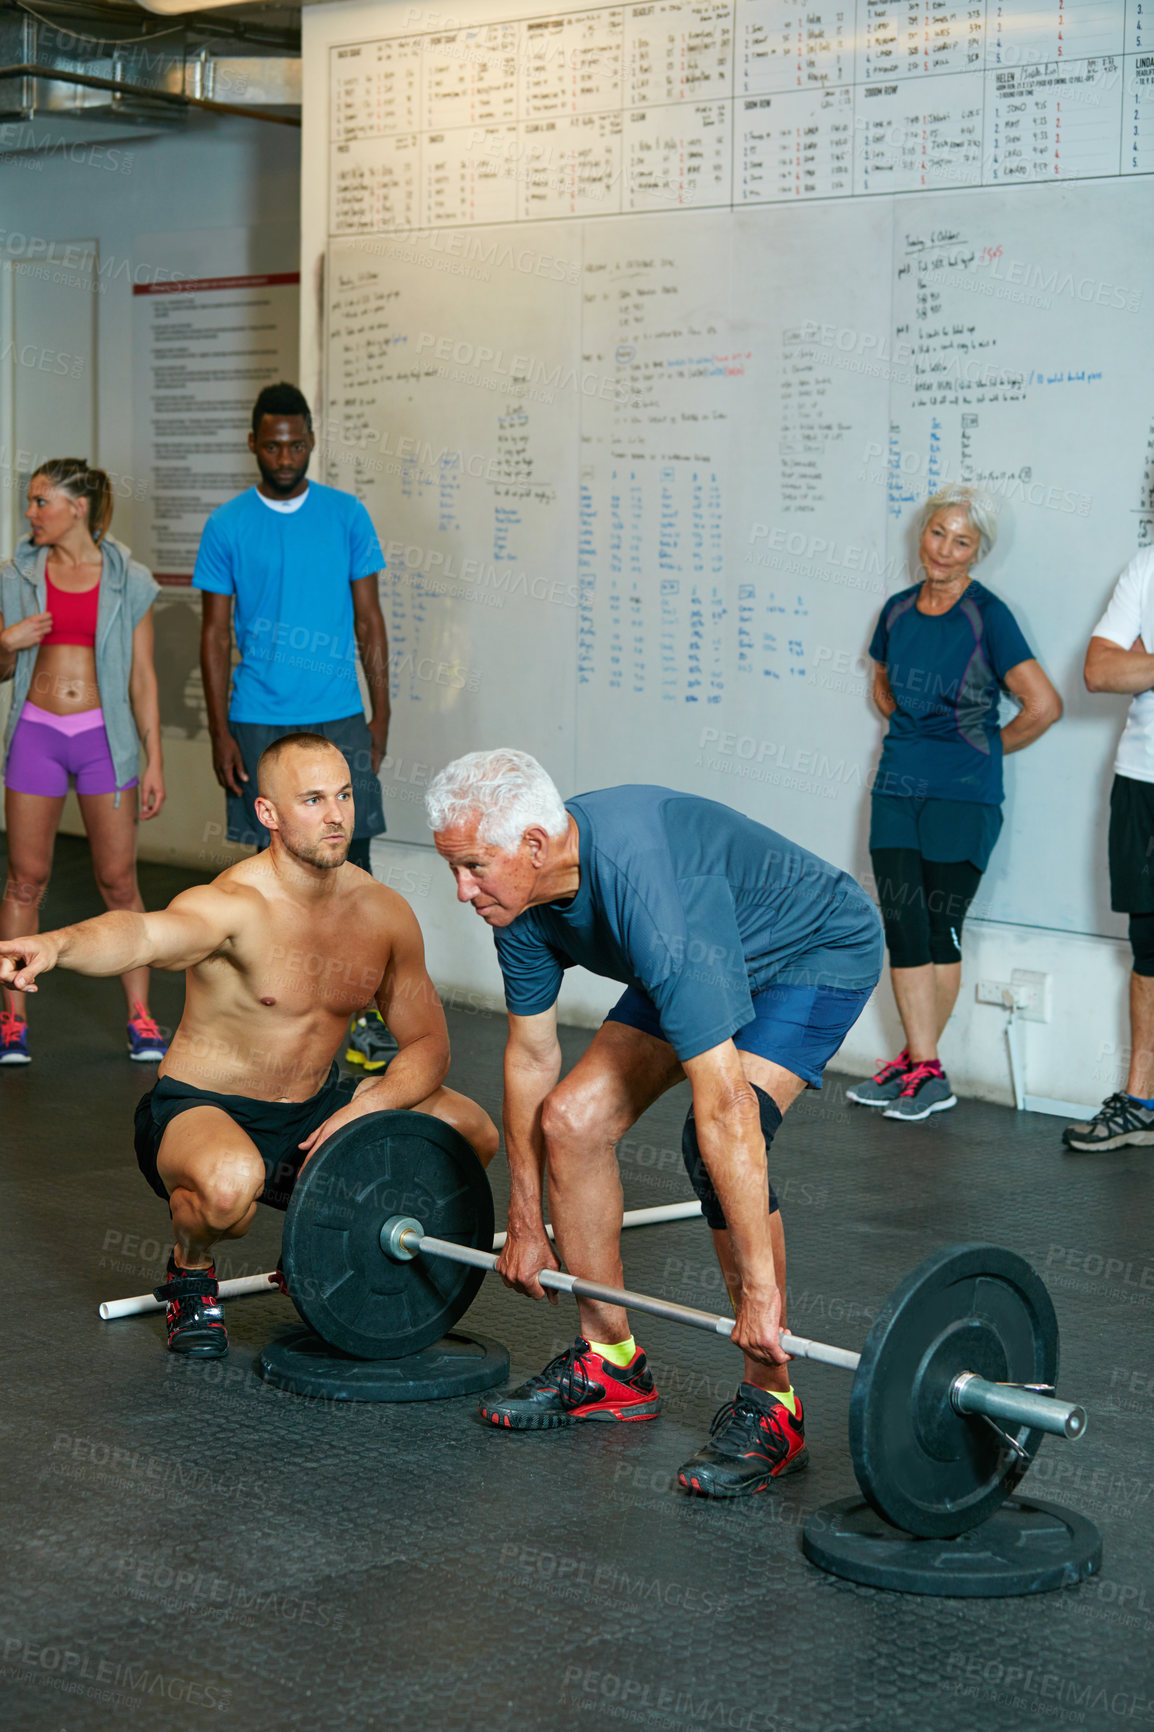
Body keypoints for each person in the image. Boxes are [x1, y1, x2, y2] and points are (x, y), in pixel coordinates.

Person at [426, 749, 882, 1498]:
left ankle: (774, 1399)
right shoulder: (518, 897)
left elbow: (727, 1108)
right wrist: (525, 1215)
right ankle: (610, 1362)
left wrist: (761, 1296)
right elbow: (531, 1059)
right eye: (455, 867)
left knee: (712, 1152)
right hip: (702, 947)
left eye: (472, 867)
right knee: (571, 1119)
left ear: (534, 846)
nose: (461, 890)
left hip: (810, 949)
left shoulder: (651, 894)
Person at [0, 733, 498, 1356]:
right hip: (205, 1111)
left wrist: (370, 1104)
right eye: (312, 799)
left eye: (343, 794)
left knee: (469, 1130)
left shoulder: (383, 913)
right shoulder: (232, 906)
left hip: (317, 1115)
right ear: (268, 814)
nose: (336, 814)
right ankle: (190, 1267)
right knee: (230, 1186)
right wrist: (57, 945)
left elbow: (428, 1044)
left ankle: (332, 1244)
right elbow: (141, 935)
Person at [194, 380, 395, 1074]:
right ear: (254, 444)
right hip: (257, 718)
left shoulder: (346, 516)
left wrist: (381, 712)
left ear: (311, 442)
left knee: (354, 865)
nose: (285, 454)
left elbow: (371, 623)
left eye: (297, 443)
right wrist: (219, 729)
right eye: (273, 443)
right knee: (262, 873)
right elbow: (214, 635)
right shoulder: (226, 526)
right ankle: (267, 1014)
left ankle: (366, 1019)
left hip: (338, 712)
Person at [847, 485, 1062, 1122]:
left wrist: (980, 748)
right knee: (902, 925)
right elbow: (881, 682)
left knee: (940, 929)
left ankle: (926, 1068)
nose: (944, 549)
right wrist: (911, 729)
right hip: (896, 787)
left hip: (962, 797)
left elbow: (1043, 705)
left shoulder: (988, 615)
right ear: (924, 533)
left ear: (978, 552)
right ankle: (921, 1065)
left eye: (961, 540)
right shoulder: (894, 610)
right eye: (938, 533)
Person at [0, 458, 167, 1066]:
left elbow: (144, 678)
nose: (30, 512)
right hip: (36, 735)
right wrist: (7, 641)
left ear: (78, 507)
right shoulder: (16, 572)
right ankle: (11, 1020)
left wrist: (154, 761)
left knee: (119, 882)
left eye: (40, 501)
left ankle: (142, 1018)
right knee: (25, 878)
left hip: (104, 739)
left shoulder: (129, 579)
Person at [1064, 547, 1154, 1150]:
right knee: (1148, 948)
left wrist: (1143, 661)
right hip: (1143, 781)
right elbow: (1099, 671)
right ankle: (1143, 1101)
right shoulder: (1147, 566)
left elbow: (1126, 668)